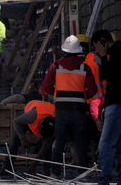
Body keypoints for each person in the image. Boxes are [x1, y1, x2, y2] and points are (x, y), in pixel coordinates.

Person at [41, 35, 96, 172]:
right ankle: (82, 170)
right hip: (79, 109)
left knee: (60, 141)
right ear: (78, 50)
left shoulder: (56, 66)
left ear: (64, 50)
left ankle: (55, 172)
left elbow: (46, 87)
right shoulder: (84, 67)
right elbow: (92, 91)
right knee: (80, 140)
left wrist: (58, 93)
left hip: (61, 109)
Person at [89, 30, 121, 185]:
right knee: (120, 147)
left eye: (97, 46)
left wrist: (102, 57)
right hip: (120, 104)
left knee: (105, 144)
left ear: (102, 42)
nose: (97, 50)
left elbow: (109, 75)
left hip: (117, 104)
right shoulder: (119, 53)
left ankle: (104, 183)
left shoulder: (118, 53)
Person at [7, 91, 56, 167]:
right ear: (40, 126)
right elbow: (16, 122)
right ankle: (7, 166)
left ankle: (47, 167)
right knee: (15, 138)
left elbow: (47, 144)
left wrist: (34, 164)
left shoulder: (57, 122)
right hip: (31, 113)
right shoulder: (32, 115)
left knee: (48, 146)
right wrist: (23, 139)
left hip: (45, 119)